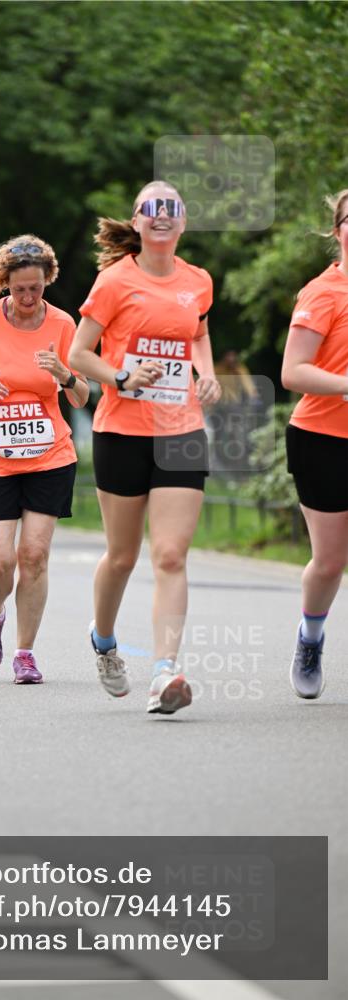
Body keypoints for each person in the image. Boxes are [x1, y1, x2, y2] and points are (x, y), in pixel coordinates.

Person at [68, 182, 221, 714]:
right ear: (136, 222)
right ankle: (105, 643)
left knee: (171, 554)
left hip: (180, 429)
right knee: (122, 555)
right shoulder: (114, 281)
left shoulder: (198, 281)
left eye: (171, 208)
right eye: (150, 209)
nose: (161, 216)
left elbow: (197, 333)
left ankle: (164, 672)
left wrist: (206, 372)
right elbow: (78, 353)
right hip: (122, 430)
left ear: (183, 223)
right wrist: (121, 375)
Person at [0, 234, 89, 684]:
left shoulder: (65, 325)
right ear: (4, 284)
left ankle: (25, 654)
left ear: (48, 279)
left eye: (36, 288)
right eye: (18, 289)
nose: (28, 298)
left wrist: (65, 375)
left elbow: (83, 394)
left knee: (34, 555)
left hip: (48, 453)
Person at [281, 188, 348, 699]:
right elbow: (293, 372)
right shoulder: (323, 293)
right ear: (337, 231)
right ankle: (311, 636)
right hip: (324, 438)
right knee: (329, 562)